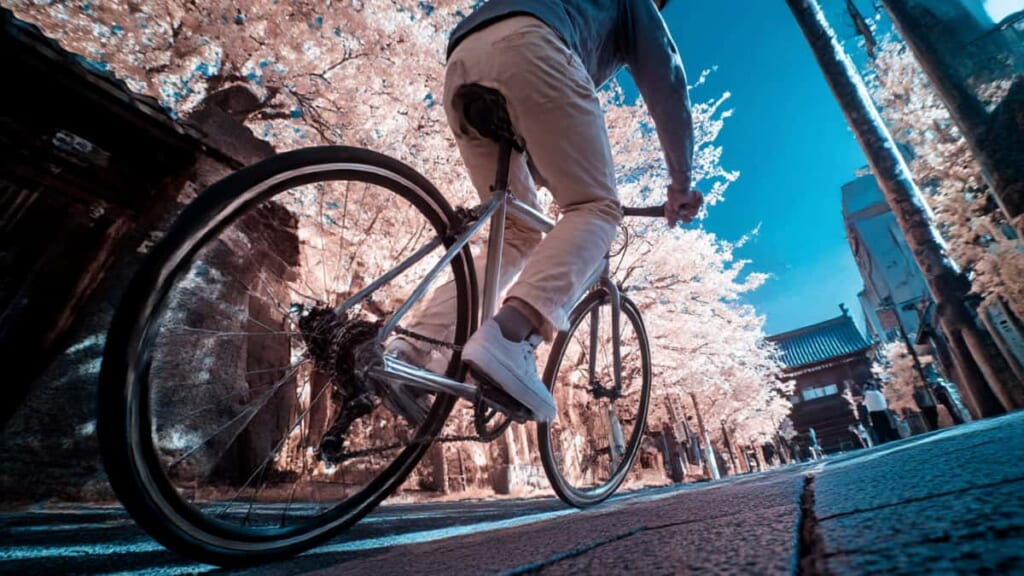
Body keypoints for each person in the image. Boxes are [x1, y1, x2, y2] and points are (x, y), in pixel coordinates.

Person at [385, 0, 703, 423]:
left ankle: (411, 349)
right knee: (596, 207)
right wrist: (680, 183)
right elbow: (667, 79)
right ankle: (509, 337)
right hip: (531, 46)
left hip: (462, 59)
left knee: (516, 232)